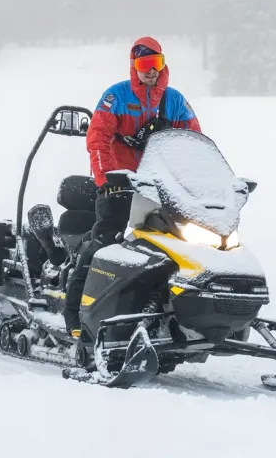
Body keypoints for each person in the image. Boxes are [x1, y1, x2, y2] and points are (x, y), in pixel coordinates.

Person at [62, 37, 202, 338]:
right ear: (133, 67)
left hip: (161, 188)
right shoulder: (117, 97)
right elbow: (98, 138)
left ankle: (180, 311)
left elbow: (195, 143)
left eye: (156, 64)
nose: (151, 71)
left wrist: (197, 180)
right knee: (106, 239)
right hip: (121, 183)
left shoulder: (174, 101)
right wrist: (107, 180)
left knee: (184, 243)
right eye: (144, 65)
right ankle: (75, 313)